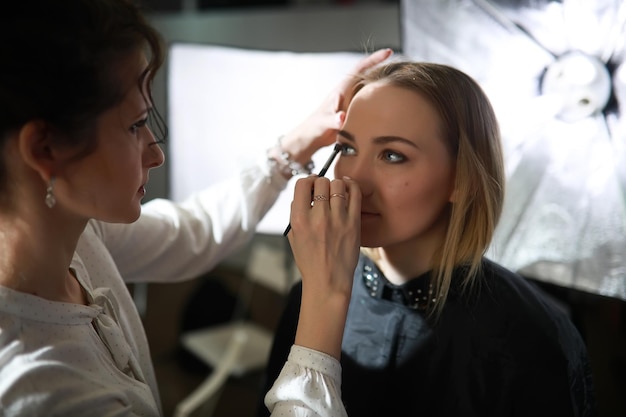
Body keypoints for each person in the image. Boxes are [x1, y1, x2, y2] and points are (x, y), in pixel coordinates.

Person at [0, 0, 392, 415]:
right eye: (135, 126)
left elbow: (192, 232)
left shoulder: (76, 236)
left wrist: (297, 145)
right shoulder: (40, 391)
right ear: (45, 148)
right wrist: (325, 294)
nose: (156, 154)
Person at [260, 60, 597, 416]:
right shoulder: (308, 298)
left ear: (460, 178)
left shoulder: (533, 336)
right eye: (346, 149)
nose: (352, 181)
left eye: (392, 155)